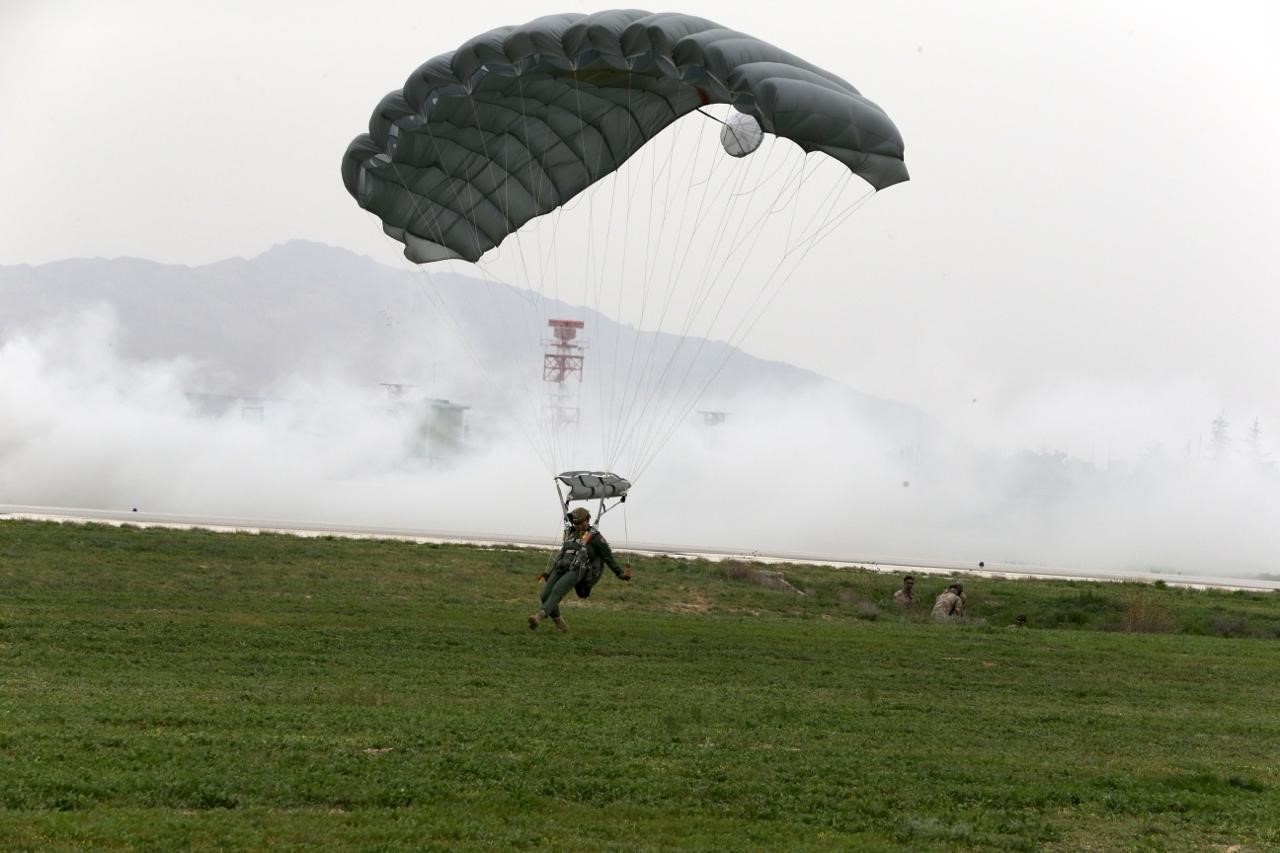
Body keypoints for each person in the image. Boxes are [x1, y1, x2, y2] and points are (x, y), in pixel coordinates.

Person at [529, 506, 631, 632]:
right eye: (575, 523)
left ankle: (539, 616)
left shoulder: (596, 537)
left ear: (588, 520)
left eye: (580, 522)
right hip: (561, 566)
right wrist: (549, 572)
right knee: (544, 595)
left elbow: (608, 557)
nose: (577, 525)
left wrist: (620, 573)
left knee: (557, 591)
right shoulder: (570, 533)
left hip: (578, 569)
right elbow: (564, 551)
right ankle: (559, 622)